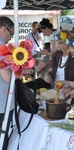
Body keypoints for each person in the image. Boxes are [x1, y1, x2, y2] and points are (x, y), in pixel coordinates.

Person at [0, 16, 33, 150]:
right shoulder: (1, 48)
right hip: (2, 103)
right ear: (3, 29)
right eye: (11, 33)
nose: (11, 37)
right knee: (2, 139)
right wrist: (22, 71)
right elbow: (7, 77)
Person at [44, 31, 74, 104]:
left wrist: (71, 85)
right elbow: (51, 69)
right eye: (60, 43)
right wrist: (48, 74)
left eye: (65, 44)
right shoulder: (56, 55)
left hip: (72, 92)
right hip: (56, 90)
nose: (62, 46)